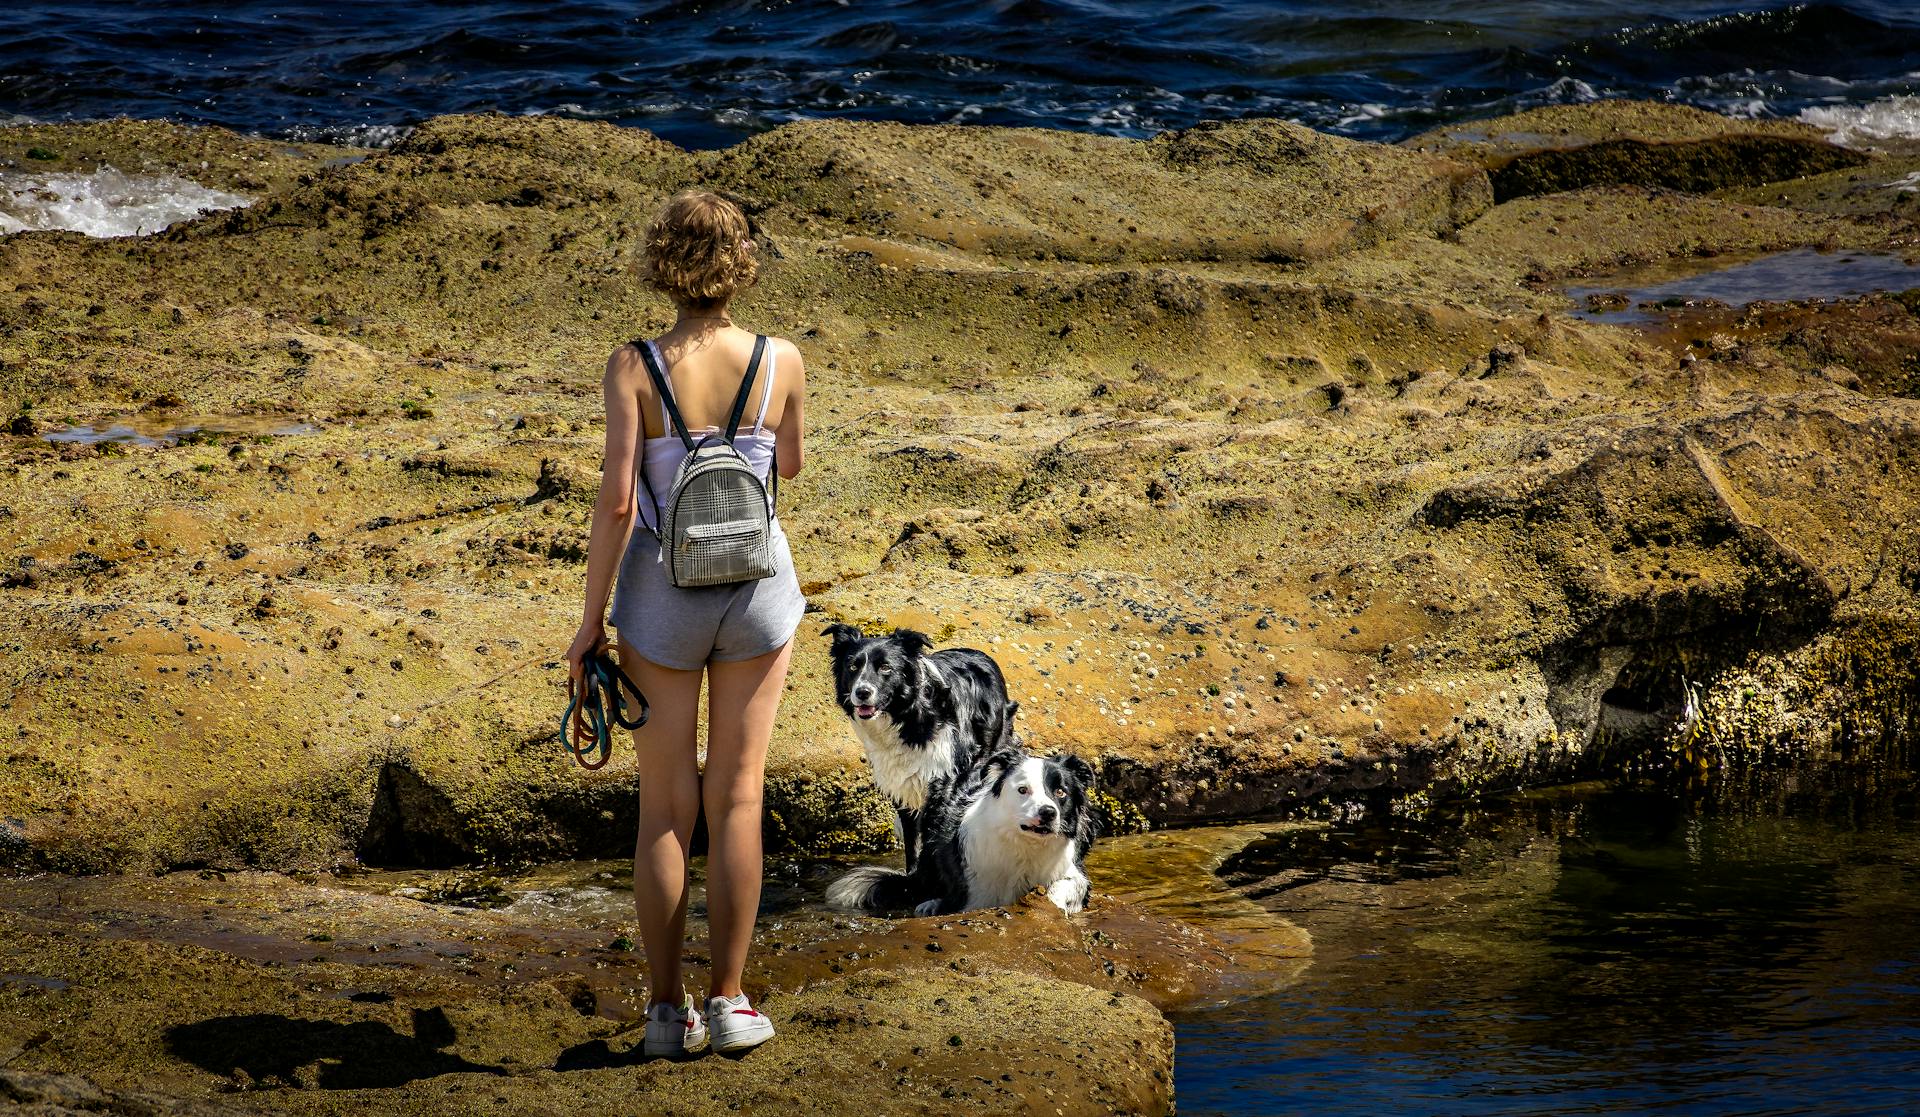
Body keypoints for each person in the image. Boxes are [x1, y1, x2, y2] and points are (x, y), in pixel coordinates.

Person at [566, 190, 807, 1057]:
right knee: (738, 795)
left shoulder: (632, 366)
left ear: (663, 261)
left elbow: (621, 500)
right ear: (740, 262)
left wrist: (590, 622)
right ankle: (732, 1003)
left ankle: (666, 1014)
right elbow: (788, 464)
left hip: (662, 597)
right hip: (756, 590)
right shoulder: (783, 358)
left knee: (664, 805)